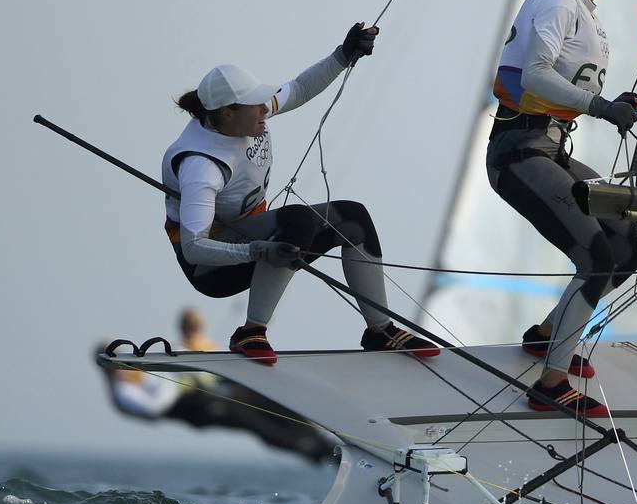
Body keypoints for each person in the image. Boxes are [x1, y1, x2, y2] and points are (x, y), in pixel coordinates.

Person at [162, 22, 438, 365]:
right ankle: (251, 332)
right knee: (298, 219)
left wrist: (344, 55)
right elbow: (194, 249)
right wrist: (257, 251)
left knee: (353, 217)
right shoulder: (201, 166)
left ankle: (381, 331)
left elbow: (300, 88)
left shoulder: (248, 114)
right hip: (213, 269)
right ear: (228, 112)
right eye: (256, 106)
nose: (266, 109)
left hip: (259, 237)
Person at [488, 0, 637, 417]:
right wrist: (602, 108)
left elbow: (560, 82)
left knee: (629, 244)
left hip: (551, 149)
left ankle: (544, 337)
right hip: (518, 151)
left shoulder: (582, 11)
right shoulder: (558, 2)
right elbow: (533, 74)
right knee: (595, 255)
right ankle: (550, 386)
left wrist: (614, 103)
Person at [95, 309, 335, 463]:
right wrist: (179, 377)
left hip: (209, 394)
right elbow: (156, 407)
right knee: (250, 420)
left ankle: (321, 440)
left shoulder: (139, 377)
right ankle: (312, 450)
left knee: (263, 399)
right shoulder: (122, 393)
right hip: (197, 408)